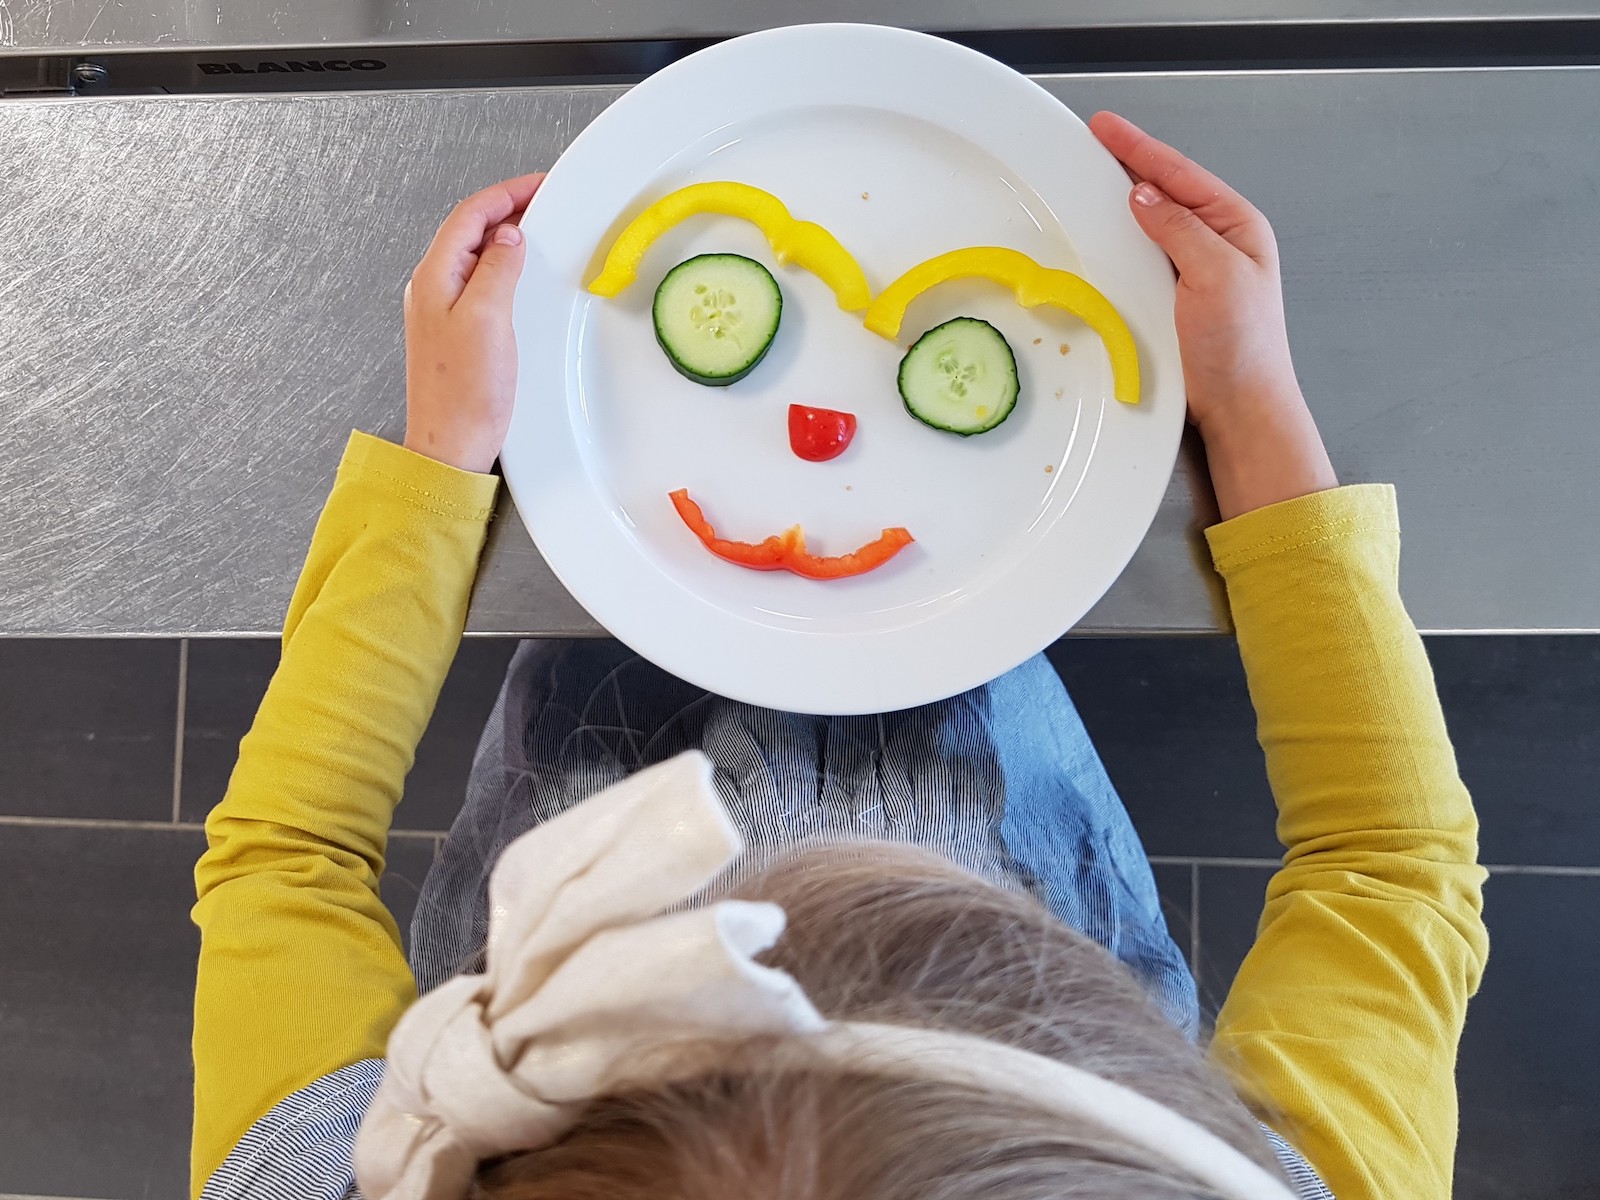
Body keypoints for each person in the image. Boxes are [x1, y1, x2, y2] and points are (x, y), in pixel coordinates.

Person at [188, 112, 1487, 1200]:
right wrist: (1253, 407)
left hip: (587, 743)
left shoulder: (330, 1175)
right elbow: (1390, 868)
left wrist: (436, 462)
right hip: (984, 741)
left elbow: (284, 860)